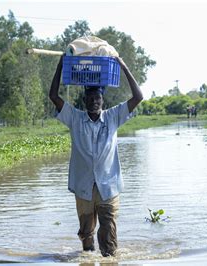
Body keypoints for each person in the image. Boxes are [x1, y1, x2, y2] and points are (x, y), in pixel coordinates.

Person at [49, 55, 143, 257]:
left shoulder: (112, 116)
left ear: (103, 100)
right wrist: (59, 66)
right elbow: (53, 96)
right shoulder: (74, 118)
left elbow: (138, 97)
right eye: (90, 99)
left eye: (97, 99)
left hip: (108, 186)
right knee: (86, 234)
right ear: (85, 101)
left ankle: (109, 259)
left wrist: (124, 66)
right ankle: (88, 258)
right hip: (83, 187)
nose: (94, 102)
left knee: (108, 234)